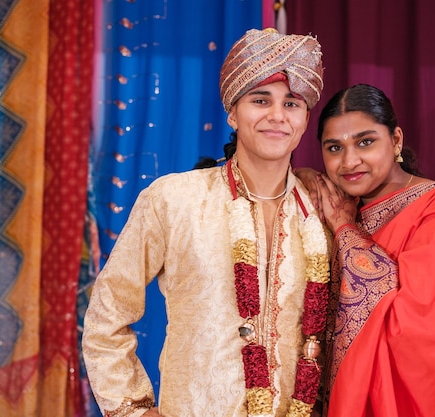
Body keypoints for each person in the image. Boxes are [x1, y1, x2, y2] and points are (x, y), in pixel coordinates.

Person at [82, 28, 332, 417]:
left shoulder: (319, 215)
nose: (277, 116)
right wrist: (133, 410)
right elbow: (106, 315)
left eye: (292, 103)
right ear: (232, 111)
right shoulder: (175, 199)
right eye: (260, 100)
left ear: (305, 118)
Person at [296, 83, 435, 417]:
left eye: (366, 142)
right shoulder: (337, 206)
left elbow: (424, 334)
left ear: (396, 140)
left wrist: (344, 229)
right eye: (334, 148)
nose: (350, 161)